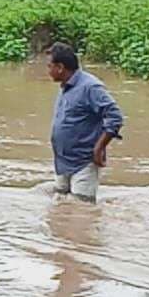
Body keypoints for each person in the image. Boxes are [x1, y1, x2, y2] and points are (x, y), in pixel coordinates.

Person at [46, 43, 124, 202]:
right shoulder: (66, 86)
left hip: (83, 162)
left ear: (60, 67)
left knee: (82, 210)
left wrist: (99, 147)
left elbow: (115, 116)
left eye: (49, 66)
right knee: (60, 207)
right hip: (62, 161)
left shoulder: (90, 87)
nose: (48, 71)